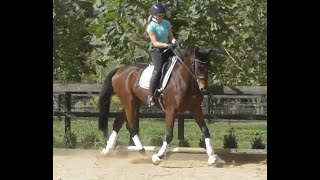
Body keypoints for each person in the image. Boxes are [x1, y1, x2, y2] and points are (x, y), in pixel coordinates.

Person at [146, 3, 178, 107]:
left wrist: (174, 41)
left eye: (162, 15)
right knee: (158, 70)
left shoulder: (166, 23)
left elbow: (171, 36)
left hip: (169, 49)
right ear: (154, 15)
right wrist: (166, 44)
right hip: (157, 51)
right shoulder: (151, 27)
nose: (161, 17)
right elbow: (155, 42)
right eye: (159, 15)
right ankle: (150, 95)